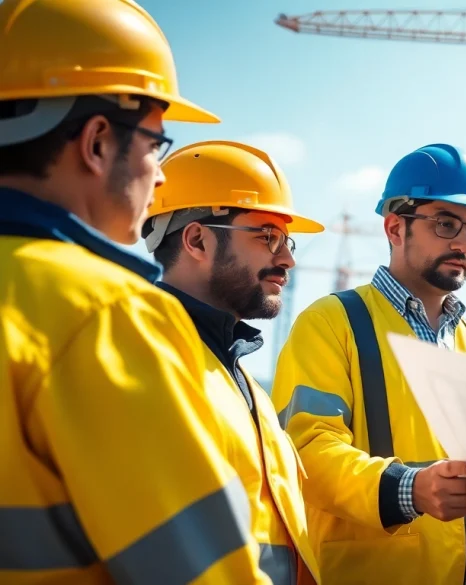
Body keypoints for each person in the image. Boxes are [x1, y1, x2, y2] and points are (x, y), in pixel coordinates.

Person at [0, 0, 282, 582]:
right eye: (156, 143)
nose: (159, 176)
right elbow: (204, 572)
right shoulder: (105, 311)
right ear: (98, 142)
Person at [271, 143, 466, 585]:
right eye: (446, 223)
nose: (462, 242)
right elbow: (305, 456)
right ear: (395, 228)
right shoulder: (332, 324)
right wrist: (410, 489)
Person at [142, 140, 326, 584]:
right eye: (267, 237)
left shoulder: (241, 380)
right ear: (197, 240)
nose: (287, 260)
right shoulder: (150, 359)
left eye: (287, 241)